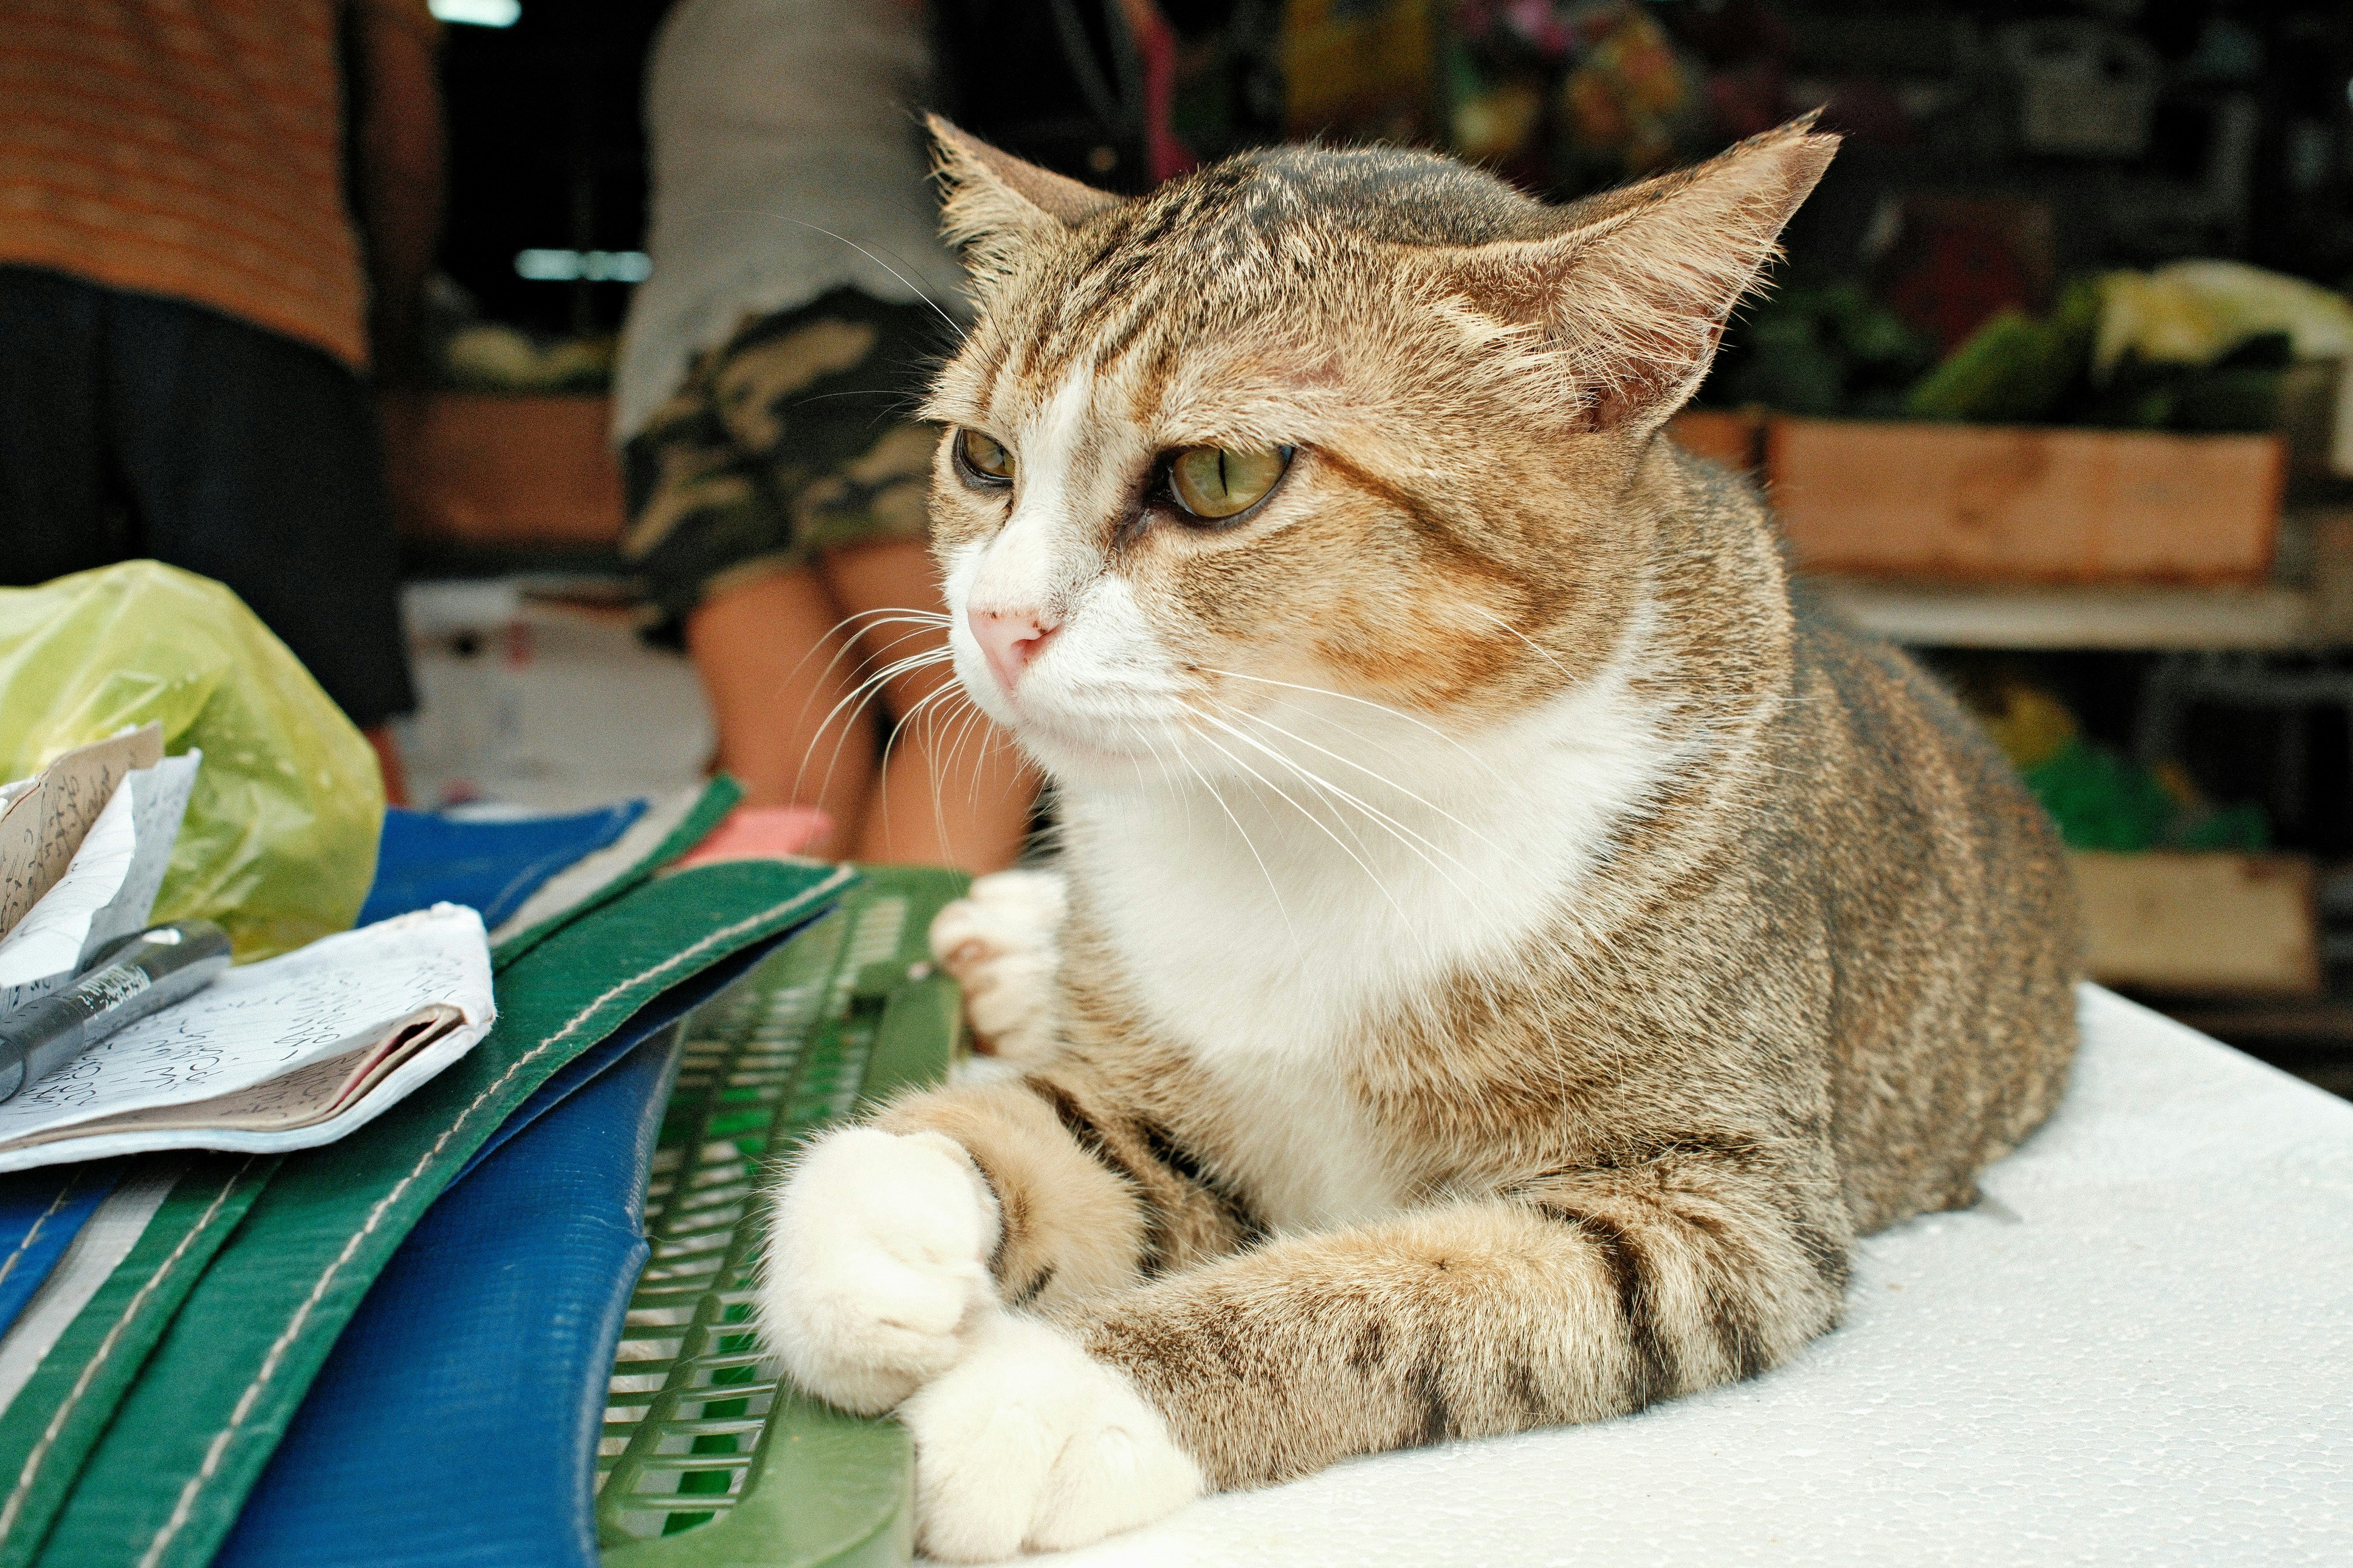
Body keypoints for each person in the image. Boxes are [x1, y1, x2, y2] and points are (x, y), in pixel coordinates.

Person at [614, 0, 1036, 872]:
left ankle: (715, 1010)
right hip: (838, 295)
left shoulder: (689, 26)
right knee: (977, 704)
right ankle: (891, 1007)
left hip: (663, 362)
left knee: (786, 766)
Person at [0, 0, 441, 803]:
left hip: (18, 210)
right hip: (256, 260)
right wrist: (395, 337)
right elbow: (401, 131)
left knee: (13, 698)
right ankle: (398, 926)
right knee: (325, 730)